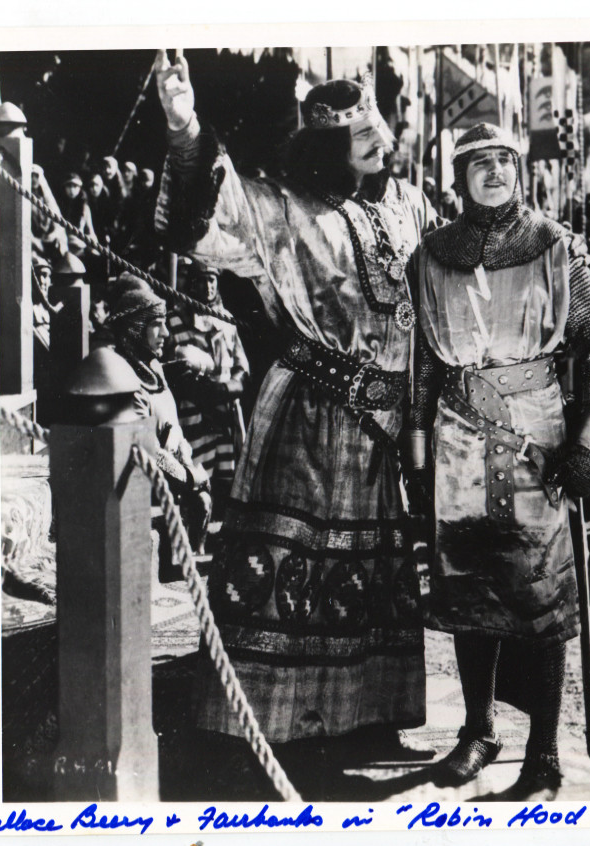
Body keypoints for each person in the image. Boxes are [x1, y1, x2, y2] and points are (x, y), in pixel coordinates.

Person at [152, 50, 436, 764]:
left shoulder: (407, 208)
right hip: (308, 416)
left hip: (384, 428)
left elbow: (453, 270)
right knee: (293, 561)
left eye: (378, 130)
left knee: (376, 568)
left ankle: (369, 716)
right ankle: (277, 723)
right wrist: (185, 129)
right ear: (325, 146)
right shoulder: (282, 207)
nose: (379, 142)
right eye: (360, 136)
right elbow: (207, 215)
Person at [407, 123, 590, 798]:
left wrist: (587, 446)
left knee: (541, 596)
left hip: (536, 438)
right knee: (469, 588)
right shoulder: (431, 255)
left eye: (504, 160)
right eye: (479, 162)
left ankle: (544, 750)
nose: (494, 171)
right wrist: (417, 453)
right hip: (458, 444)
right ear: (459, 177)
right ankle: (478, 731)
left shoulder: (553, 246)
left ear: (519, 170)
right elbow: (422, 365)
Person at [104, 274, 213, 551]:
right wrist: (191, 478)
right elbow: (149, 450)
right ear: (135, 329)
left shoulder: (154, 368)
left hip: (172, 477)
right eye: (156, 325)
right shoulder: (124, 379)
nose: (165, 333)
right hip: (142, 488)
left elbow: (171, 424)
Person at [163, 259, 251, 508]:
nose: (207, 286)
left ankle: (220, 521)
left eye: (211, 280)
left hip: (225, 408)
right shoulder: (175, 321)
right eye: (201, 280)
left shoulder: (227, 320)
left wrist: (227, 388)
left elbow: (242, 366)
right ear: (191, 283)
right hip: (194, 410)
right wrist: (201, 390)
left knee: (226, 470)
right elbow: (169, 367)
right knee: (196, 470)